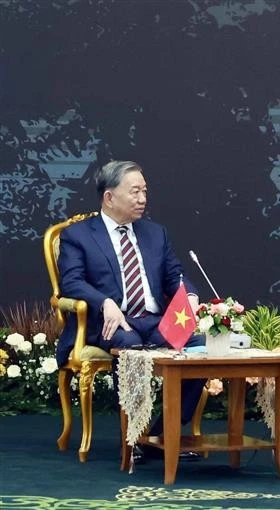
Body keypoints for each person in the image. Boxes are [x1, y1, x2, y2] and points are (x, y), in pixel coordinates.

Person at [57, 160, 205, 462]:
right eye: (134, 192)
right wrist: (104, 302)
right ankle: (133, 437)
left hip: (153, 321)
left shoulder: (155, 233)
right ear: (109, 197)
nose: (142, 199)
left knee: (200, 348)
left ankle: (161, 435)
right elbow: (71, 281)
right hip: (111, 325)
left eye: (145, 191)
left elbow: (175, 274)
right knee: (128, 347)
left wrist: (188, 295)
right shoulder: (79, 235)